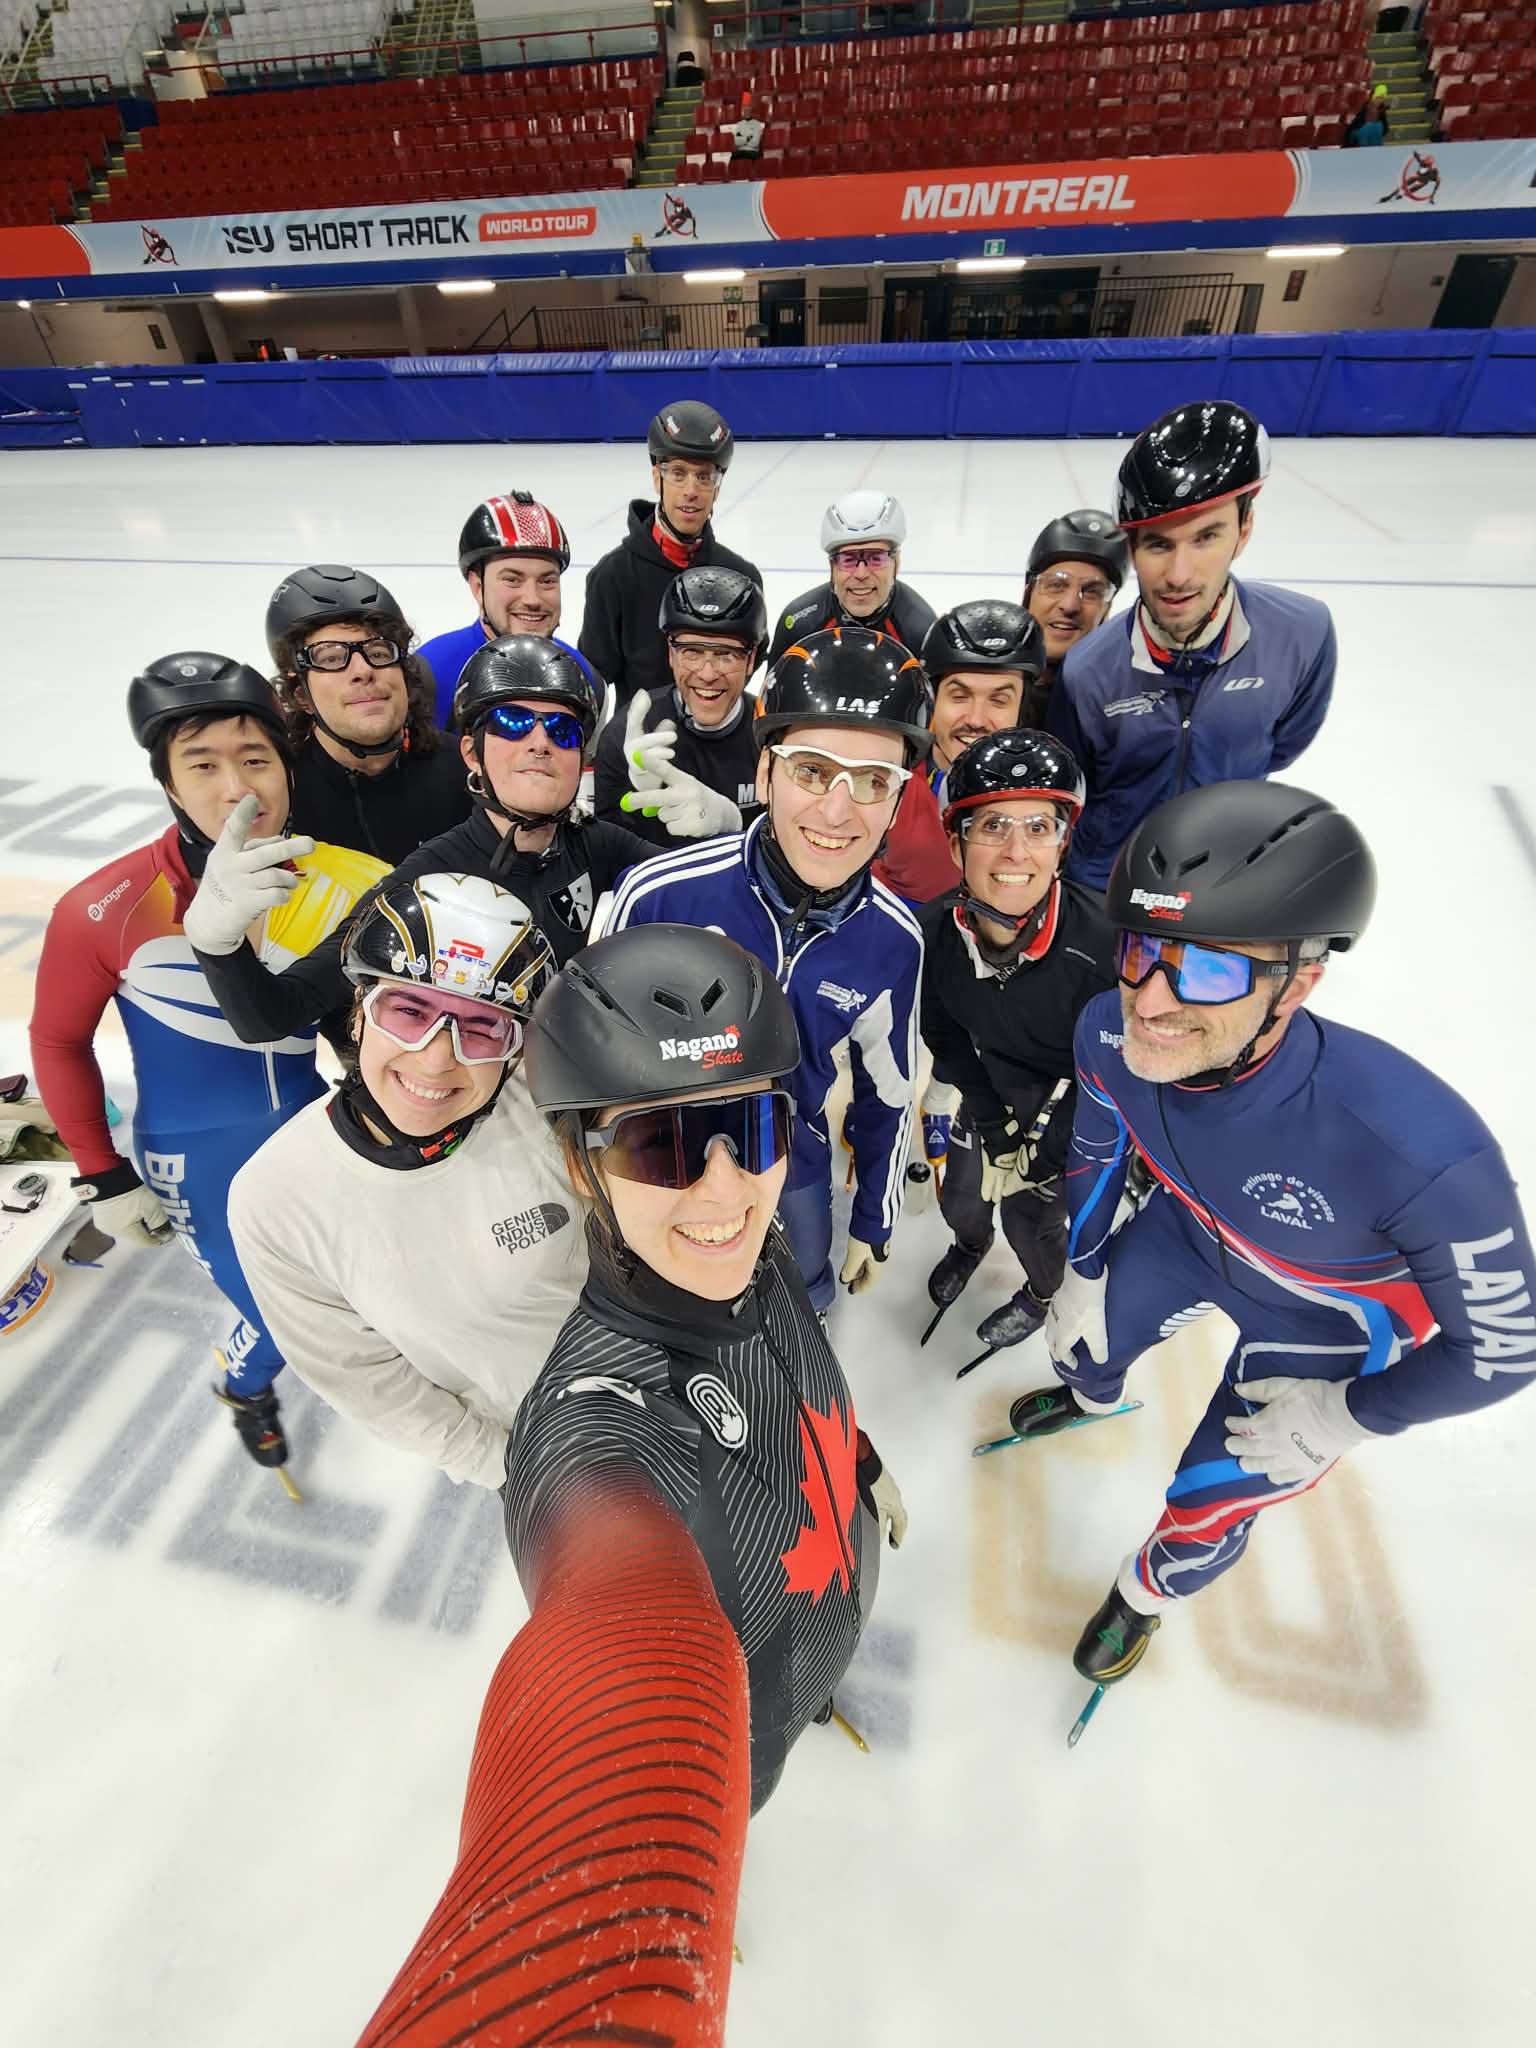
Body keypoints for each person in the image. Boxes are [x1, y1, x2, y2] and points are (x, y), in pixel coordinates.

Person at [1006, 779, 1536, 1696]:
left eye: (1210, 971)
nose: (1152, 1001)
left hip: (1330, 1324)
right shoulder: (1106, 1031)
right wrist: (1081, 1270)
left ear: (1299, 984)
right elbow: (1095, 1147)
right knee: (1080, 1348)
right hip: (1186, 1238)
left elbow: (1506, 1349)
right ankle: (1094, 1397)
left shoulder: (1423, 1150)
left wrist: (1349, 1415)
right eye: (1141, 950)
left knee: (1206, 1498)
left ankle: (1143, 1594)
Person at [508, 922, 906, 1811]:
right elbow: (600, 1576)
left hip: (831, 1602)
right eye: (663, 1145)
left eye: (751, 1130)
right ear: (580, 1163)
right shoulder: (597, 1425)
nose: (726, 1190)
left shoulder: (753, 1247)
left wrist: (858, 1459)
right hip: (734, 1740)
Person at [28, 654, 387, 1472]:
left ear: (287, 771)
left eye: (256, 759)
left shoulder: (353, 883)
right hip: (198, 1159)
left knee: (353, 1289)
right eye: (202, 765)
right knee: (277, 1319)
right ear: (168, 785)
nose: (237, 790)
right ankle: (243, 1385)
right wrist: (103, 1174)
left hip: (315, 1130)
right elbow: (55, 1041)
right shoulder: (104, 909)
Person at [601, 627, 929, 1314]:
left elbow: (890, 1095)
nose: (837, 811)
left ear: (899, 800)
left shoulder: (893, 940)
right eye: (811, 770)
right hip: (662, 1161)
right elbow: (588, 1058)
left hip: (795, 1163)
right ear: (766, 772)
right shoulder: (659, 896)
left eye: (873, 782)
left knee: (802, 1296)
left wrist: (875, 1218)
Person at [227, 875, 585, 1487]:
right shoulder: (275, 1199)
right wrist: (512, 1470)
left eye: (481, 1026)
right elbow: (368, 1381)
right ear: (359, 1013)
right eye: (410, 1012)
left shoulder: (549, 1101)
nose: (437, 1058)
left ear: (515, 1049)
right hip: (541, 1448)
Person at [185, 637, 655, 1058]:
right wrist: (217, 945)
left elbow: (694, 885)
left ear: (581, 757)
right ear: (471, 753)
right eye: (512, 722)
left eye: (563, 730)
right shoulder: (425, 879)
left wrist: (698, 828)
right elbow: (274, 1015)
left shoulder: (594, 844)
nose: (540, 742)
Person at [1046, 400, 1336, 893]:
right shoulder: (1086, 671)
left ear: (1244, 531)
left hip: (1222, 882)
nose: (1179, 575)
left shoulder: (1304, 633)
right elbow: (1072, 789)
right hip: (1105, 887)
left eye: (1205, 538)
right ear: (1132, 548)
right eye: (1159, 544)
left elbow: (1284, 745)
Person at [917, 728, 1115, 1352]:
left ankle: (1042, 1290)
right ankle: (969, 1243)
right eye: (993, 826)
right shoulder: (935, 932)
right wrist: (990, 1118)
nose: (1016, 851)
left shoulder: (1104, 948)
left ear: (1063, 843)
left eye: (1039, 827)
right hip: (997, 1076)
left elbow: (1114, 1074)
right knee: (963, 1198)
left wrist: (1049, 1152)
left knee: (1032, 1218)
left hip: (1078, 1093)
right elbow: (943, 1031)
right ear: (956, 843)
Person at [265, 564, 471, 864]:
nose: (363, 670)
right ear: (301, 696)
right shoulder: (281, 796)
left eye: (378, 653)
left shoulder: (468, 769)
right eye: (331, 658)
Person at [579, 400, 760, 710]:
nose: (691, 490)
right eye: (678, 473)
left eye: (704, 477)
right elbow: (592, 683)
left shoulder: (742, 578)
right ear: (656, 478)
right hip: (639, 736)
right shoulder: (613, 576)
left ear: (717, 488)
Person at [874, 599, 1046, 904]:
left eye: (998, 700)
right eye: (959, 696)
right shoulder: (885, 776)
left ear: (1022, 709)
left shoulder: (1046, 797)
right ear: (932, 699)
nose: (976, 720)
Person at [593, 564, 768, 850]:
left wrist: (734, 825)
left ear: (750, 661)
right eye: (692, 652)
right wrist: (637, 799)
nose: (707, 674)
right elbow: (606, 853)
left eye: (726, 655)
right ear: (671, 654)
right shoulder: (624, 735)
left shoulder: (773, 736)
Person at [417, 491, 573, 727]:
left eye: (547, 581)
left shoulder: (584, 676)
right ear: (477, 587)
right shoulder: (428, 675)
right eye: (512, 579)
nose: (532, 599)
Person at [766, 491, 936, 665]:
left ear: (896, 563)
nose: (861, 574)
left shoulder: (921, 631)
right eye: (848, 559)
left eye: (875, 558)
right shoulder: (799, 624)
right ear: (832, 567)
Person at [1021, 509, 1129, 724]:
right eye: (1056, 585)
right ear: (1028, 594)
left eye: (1091, 592)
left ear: (1107, 610)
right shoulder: (986, 683)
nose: (1070, 605)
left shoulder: (1123, 705)